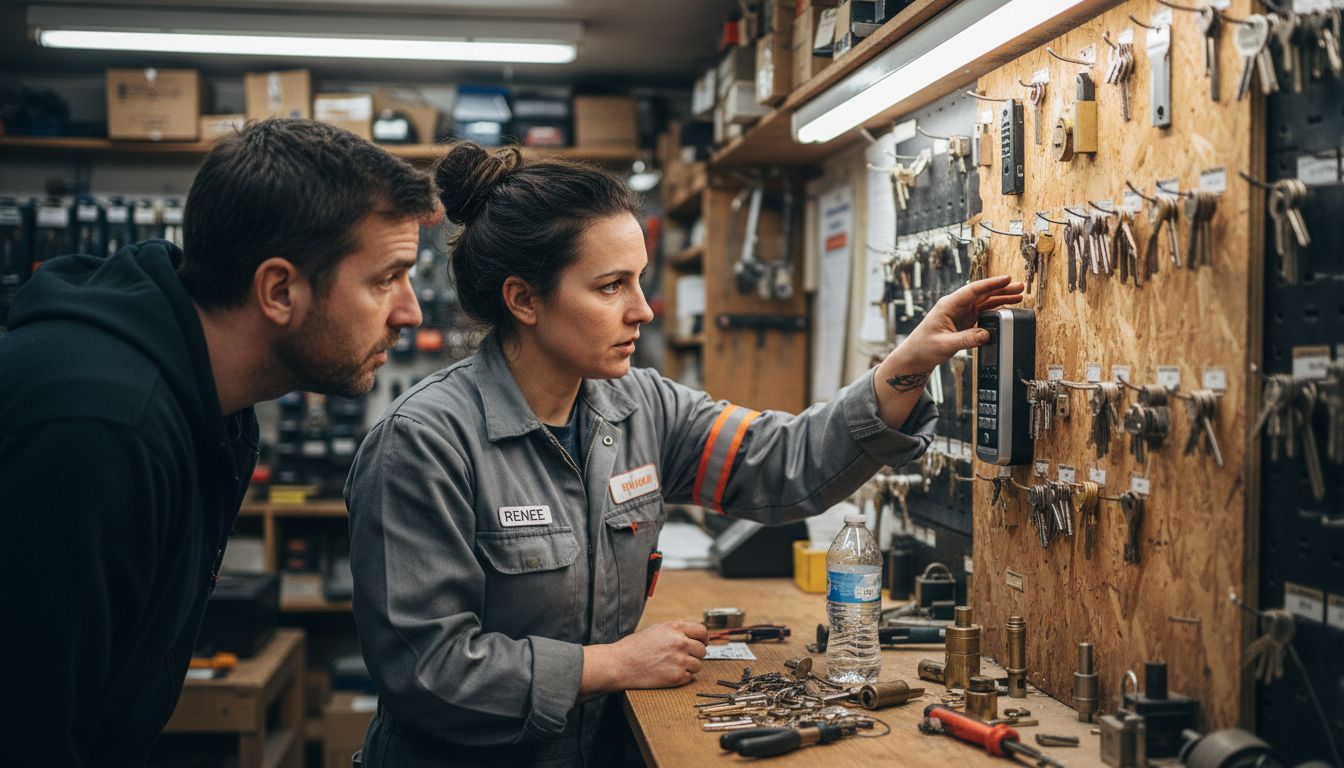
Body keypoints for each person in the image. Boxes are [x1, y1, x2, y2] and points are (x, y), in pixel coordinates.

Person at [344, 141, 1024, 767]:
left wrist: (902, 369)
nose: (642, 309)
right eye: (611, 287)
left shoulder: (643, 407)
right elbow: (426, 671)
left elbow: (783, 462)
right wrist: (609, 665)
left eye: (640, 281)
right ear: (524, 299)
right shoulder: (424, 443)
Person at [0, 119, 438, 767]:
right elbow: (26, 731)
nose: (410, 312)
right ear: (279, 290)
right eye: (385, 279)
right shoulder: (101, 428)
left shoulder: (214, 409)